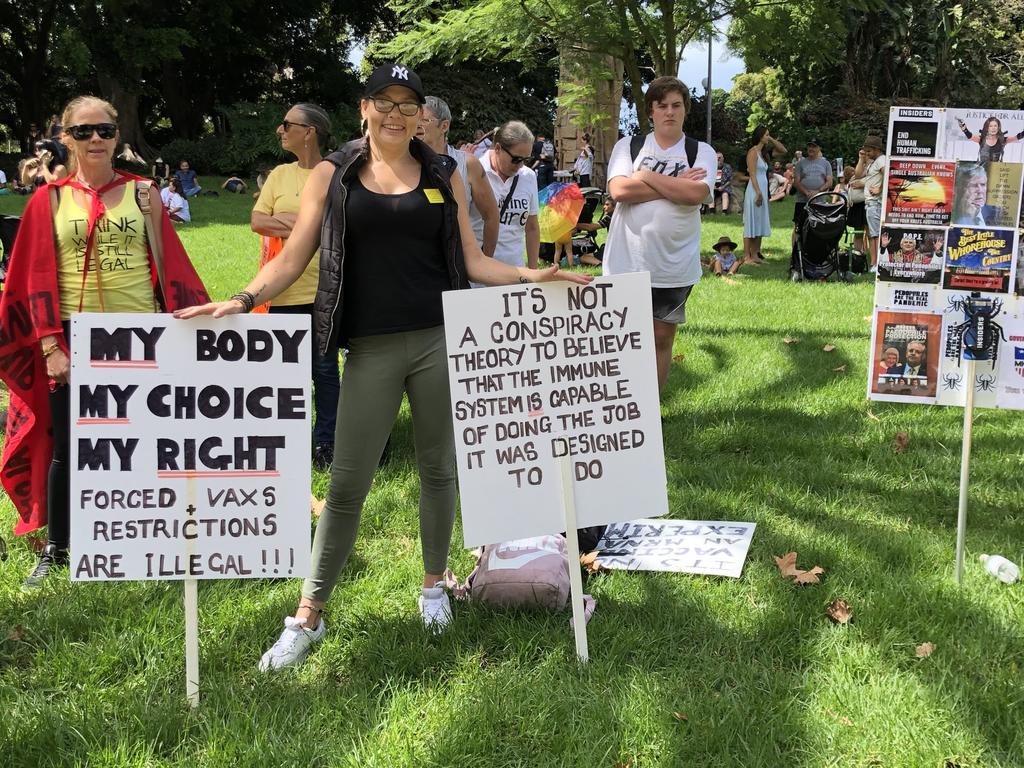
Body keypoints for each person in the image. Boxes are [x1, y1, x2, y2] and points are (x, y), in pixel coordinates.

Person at [175, 63, 589, 670]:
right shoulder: (332, 174)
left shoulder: (443, 173)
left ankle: (432, 587)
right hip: (369, 346)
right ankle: (309, 614)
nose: (395, 114)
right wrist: (241, 300)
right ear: (363, 108)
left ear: (422, 115)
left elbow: (473, 259)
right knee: (346, 485)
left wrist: (532, 275)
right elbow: (294, 256)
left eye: (407, 104)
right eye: (383, 102)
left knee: (438, 471)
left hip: (437, 339)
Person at [0, 95, 208, 588]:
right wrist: (51, 346)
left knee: (148, 442)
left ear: (119, 136)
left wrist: (194, 329)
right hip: (74, 339)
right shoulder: (47, 200)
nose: (96, 139)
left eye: (106, 131)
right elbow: (32, 277)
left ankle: (145, 537)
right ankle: (58, 548)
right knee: (70, 448)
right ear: (66, 137)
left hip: (142, 338)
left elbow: (172, 269)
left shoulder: (144, 194)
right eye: (84, 131)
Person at [603, 75, 716, 392]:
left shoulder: (700, 151)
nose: (669, 112)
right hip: (627, 262)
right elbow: (620, 190)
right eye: (662, 105)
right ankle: (621, 404)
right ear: (650, 111)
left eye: (676, 105)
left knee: (661, 338)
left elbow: (696, 195)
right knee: (621, 338)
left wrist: (646, 175)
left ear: (685, 110)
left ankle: (649, 409)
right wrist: (677, 185)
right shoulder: (629, 146)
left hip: (674, 265)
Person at [251, 102, 341, 471]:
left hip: (323, 291)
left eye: (288, 124)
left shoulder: (335, 173)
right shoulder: (279, 175)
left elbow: (339, 226)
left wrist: (288, 222)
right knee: (285, 376)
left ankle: (327, 444)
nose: (280, 129)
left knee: (324, 372)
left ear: (310, 132)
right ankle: (286, 444)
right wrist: (307, 226)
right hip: (282, 292)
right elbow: (258, 220)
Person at [416, 95, 498, 258]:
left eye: (424, 120)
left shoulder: (467, 164)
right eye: (413, 119)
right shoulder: (403, 164)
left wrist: (485, 260)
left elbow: (491, 215)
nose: (417, 125)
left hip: (459, 264)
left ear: (444, 126)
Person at [473, 120, 541, 282]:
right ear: (498, 149)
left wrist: (532, 272)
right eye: (516, 159)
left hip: (514, 273)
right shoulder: (474, 171)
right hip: (478, 274)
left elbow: (532, 228)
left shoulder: (528, 176)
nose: (520, 165)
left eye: (526, 159)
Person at [743, 126, 787, 265]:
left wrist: (771, 139)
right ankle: (746, 256)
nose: (768, 137)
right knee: (751, 221)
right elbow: (752, 174)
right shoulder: (753, 152)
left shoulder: (764, 153)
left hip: (762, 188)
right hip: (754, 190)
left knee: (760, 220)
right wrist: (758, 193)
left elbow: (783, 150)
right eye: (767, 135)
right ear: (760, 136)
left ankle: (755, 254)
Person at [852, 134, 885, 272]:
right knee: (872, 234)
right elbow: (859, 174)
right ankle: (874, 263)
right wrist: (862, 158)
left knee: (874, 235)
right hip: (870, 203)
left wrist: (880, 188)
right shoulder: (873, 161)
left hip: (875, 203)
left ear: (877, 149)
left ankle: (876, 264)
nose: (867, 153)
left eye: (869, 151)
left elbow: (887, 174)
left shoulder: (881, 160)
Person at [792, 138, 832, 246]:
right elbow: (796, 181)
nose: (811, 148)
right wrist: (806, 192)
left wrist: (818, 192)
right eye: (809, 146)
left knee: (819, 229)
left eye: (814, 146)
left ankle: (816, 252)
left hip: (820, 202)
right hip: (802, 201)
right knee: (798, 227)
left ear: (819, 148)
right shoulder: (801, 164)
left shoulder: (826, 163)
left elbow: (829, 182)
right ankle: (795, 253)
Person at [957, 116, 1023, 164]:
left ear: (998, 127)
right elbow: (970, 136)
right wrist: (964, 129)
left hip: (997, 171)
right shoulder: (982, 139)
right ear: (987, 128)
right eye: (990, 126)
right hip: (982, 169)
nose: (993, 128)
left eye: (995, 126)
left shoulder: (1003, 140)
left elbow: (1016, 137)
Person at [572, 196, 615, 266]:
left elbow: (591, 227)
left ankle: (600, 264)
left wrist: (574, 225)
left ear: (615, 207)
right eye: (604, 204)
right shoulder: (619, 217)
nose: (604, 207)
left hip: (612, 249)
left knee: (583, 257)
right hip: (615, 247)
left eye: (607, 204)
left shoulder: (610, 217)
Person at [837, 164, 865, 252]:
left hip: (859, 207)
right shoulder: (854, 181)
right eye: (853, 171)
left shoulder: (855, 181)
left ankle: (859, 250)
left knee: (861, 232)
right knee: (859, 232)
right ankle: (858, 251)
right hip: (859, 208)